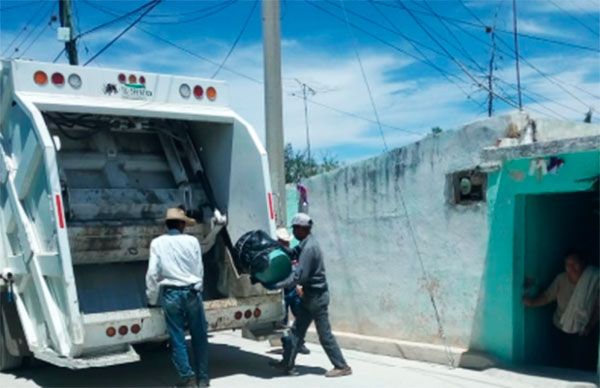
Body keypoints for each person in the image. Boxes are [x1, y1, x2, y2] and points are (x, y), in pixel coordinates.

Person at [269, 213, 352, 378]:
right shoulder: (306, 243)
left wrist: (276, 284)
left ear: (302, 229)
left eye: (295, 228)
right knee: (296, 331)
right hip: (310, 297)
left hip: (316, 297)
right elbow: (293, 253)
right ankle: (287, 363)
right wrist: (277, 246)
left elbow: (299, 277)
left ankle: (342, 366)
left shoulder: (309, 248)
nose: (294, 231)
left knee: (324, 334)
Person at [146, 208, 209, 387]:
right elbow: (199, 269)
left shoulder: (157, 243)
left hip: (171, 294)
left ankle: (188, 378)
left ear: (167, 225)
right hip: (192, 293)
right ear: (182, 224)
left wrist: (151, 298)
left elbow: (152, 274)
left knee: (177, 338)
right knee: (200, 337)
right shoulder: (192, 241)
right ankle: (203, 379)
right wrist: (198, 289)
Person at [523, 251, 599, 370]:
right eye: (568, 264)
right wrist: (532, 302)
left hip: (583, 329)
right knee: (562, 361)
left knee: (580, 363)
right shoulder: (561, 279)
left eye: (575, 263)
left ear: (583, 264)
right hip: (561, 326)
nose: (571, 267)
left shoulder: (593, 280)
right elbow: (548, 296)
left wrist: (590, 325)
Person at [275, 227, 310, 355]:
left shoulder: (293, 253)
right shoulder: (276, 256)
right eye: (284, 242)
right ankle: (287, 346)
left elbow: (298, 270)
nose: (287, 244)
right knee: (283, 321)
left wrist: (300, 286)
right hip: (281, 292)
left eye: (287, 241)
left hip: (293, 290)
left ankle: (300, 343)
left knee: (300, 316)